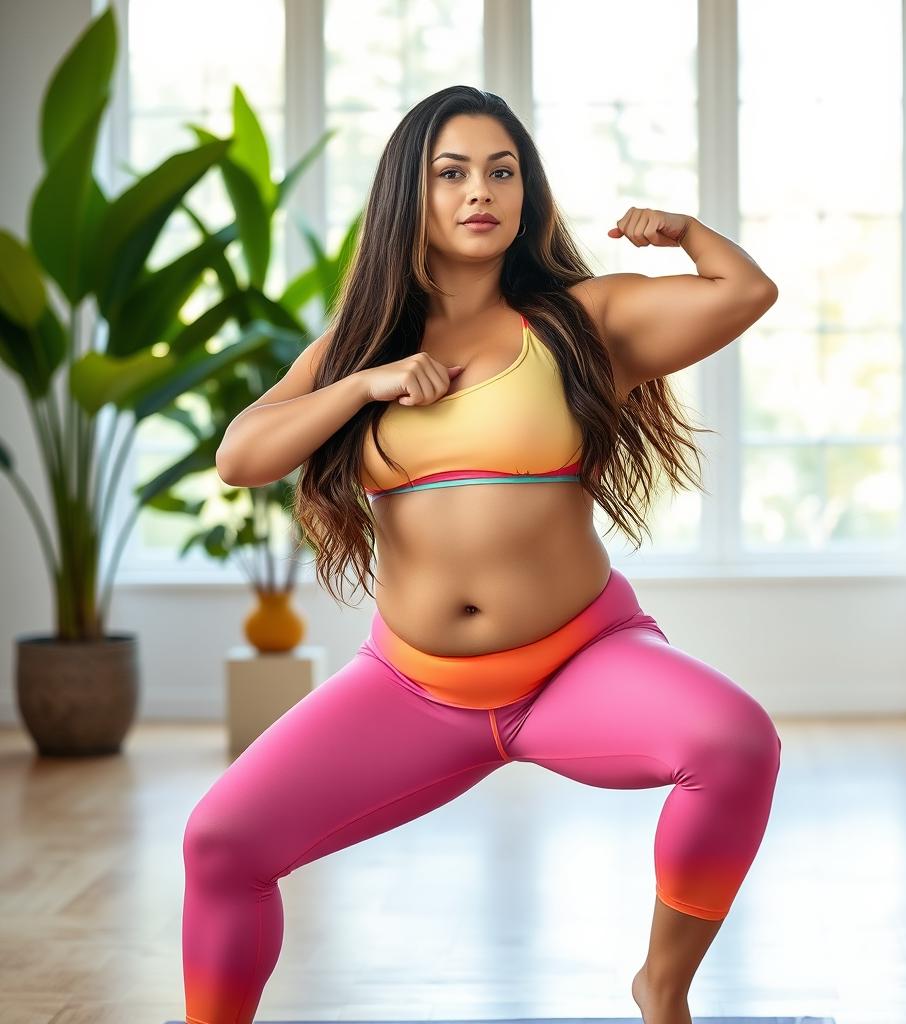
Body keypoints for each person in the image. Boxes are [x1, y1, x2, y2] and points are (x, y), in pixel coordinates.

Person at [183, 85, 781, 1024]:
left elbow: (745, 294)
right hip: (412, 690)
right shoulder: (358, 349)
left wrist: (687, 233)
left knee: (735, 743)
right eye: (452, 172)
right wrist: (365, 386)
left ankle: (662, 989)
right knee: (220, 844)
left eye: (502, 172)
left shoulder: (581, 321)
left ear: (526, 194)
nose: (480, 192)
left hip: (578, 665)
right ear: (408, 196)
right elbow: (240, 457)